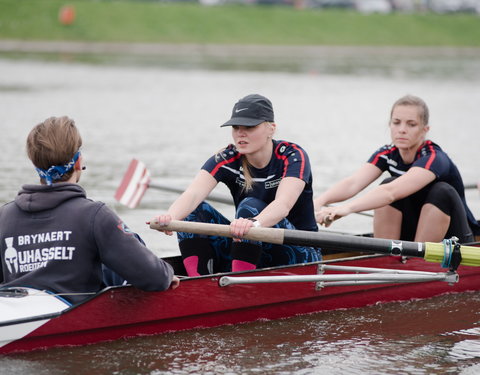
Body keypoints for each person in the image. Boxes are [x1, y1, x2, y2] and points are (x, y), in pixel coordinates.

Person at [0, 116, 179, 305]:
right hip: (68, 319)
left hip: (14, 314)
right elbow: (155, 278)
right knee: (125, 245)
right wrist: (166, 274)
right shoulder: (94, 216)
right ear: (78, 162)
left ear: (36, 165)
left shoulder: (5, 216)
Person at [152, 94, 321, 276]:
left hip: (301, 255)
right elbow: (192, 194)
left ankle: (239, 283)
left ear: (271, 128)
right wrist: (170, 218)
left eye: (249, 127)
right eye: (236, 127)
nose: (241, 133)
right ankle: (198, 285)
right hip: (249, 246)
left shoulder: (293, 155)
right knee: (193, 211)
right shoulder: (228, 157)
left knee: (249, 206)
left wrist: (254, 225)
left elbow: (283, 205)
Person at [314, 94, 479, 243]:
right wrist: (319, 202)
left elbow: (390, 192)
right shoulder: (387, 154)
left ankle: (418, 262)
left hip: (457, 239)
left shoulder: (434, 158)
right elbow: (353, 183)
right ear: (390, 124)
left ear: (424, 130)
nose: (402, 130)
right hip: (414, 232)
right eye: (396, 122)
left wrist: (345, 209)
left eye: (411, 124)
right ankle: (386, 259)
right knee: (389, 181)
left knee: (441, 191)